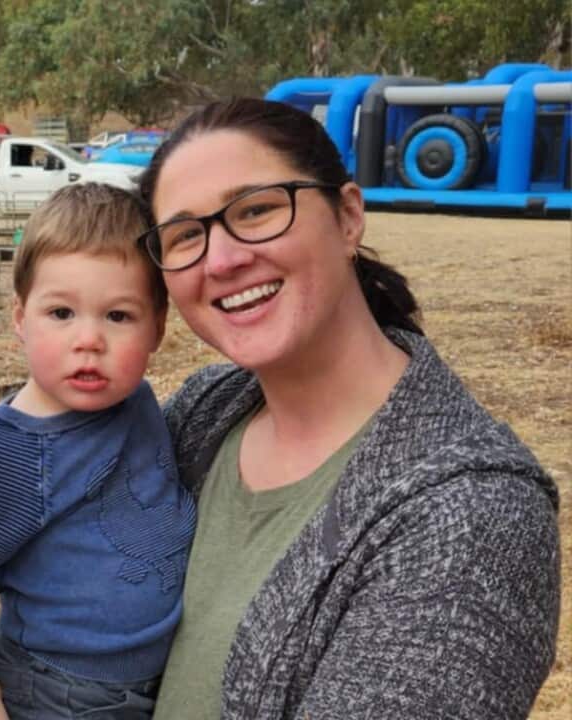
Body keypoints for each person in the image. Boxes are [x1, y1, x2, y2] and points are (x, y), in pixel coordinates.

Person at [136, 98, 560, 719]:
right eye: (184, 236)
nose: (221, 260)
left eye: (256, 210)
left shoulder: (473, 516)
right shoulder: (198, 418)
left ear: (349, 216)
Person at [0, 183, 196, 720]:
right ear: (20, 317)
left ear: (158, 328)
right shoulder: (2, 457)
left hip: (163, 680)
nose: (89, 340)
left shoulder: (137, 400)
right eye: (61, 314)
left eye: (118, 316)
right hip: (59, 693)